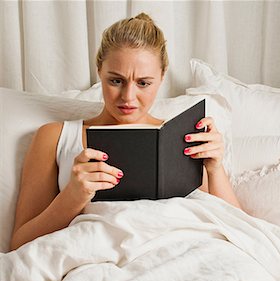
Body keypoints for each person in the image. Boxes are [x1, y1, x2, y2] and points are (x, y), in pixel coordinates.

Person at [10, 12, 241, 251]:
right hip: (92, 255)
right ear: (100, 71)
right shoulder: (55, 136)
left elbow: (243, 230)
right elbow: (20, 243)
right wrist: (73, 196)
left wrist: (215, 169)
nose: (128, 97)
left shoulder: (181, 137)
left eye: (143, 83)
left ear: (162, 77)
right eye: (116, 81)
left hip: (178, 252)